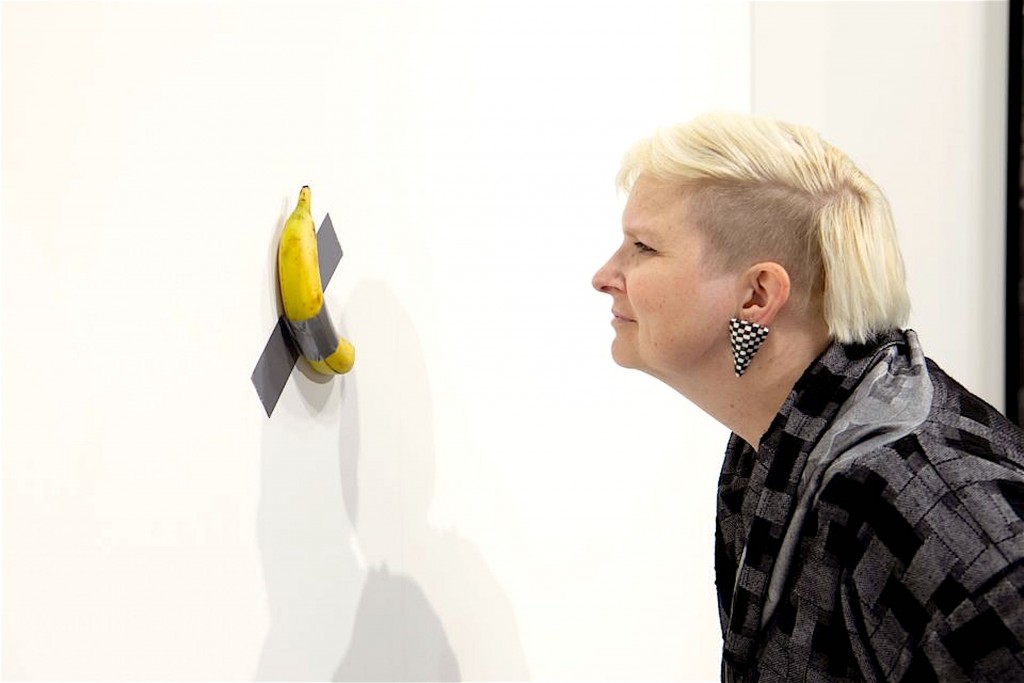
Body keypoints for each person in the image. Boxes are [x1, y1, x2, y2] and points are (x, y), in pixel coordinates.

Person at [592, 112, 1024, 682]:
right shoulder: (774, 449)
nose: (604, 275)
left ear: (757, 295)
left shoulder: (951, 526)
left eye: (643, 246)